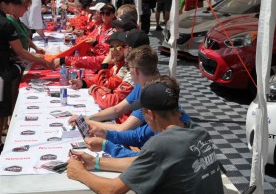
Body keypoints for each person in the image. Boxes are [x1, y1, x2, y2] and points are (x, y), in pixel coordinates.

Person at [67, 75, 224, 194]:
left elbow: (111, 190)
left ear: (150, 114)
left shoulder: (161, 144)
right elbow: (141, 162)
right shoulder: (198, 131)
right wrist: (95, 162)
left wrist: (80, 173)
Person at [0, 0, 54, 155]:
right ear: (5, 4)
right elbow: (20, 51)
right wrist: (43, 61)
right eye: (15, 4)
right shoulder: (3, 22)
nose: (17, 7)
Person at [69, 44, 157, 132]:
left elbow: (123, 128)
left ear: (136, 71)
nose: (128, 71)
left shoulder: (150, 95)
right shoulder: (140, 86)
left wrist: (87, 122)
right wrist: (87, 119)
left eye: (129, 68)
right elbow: (117, 109)